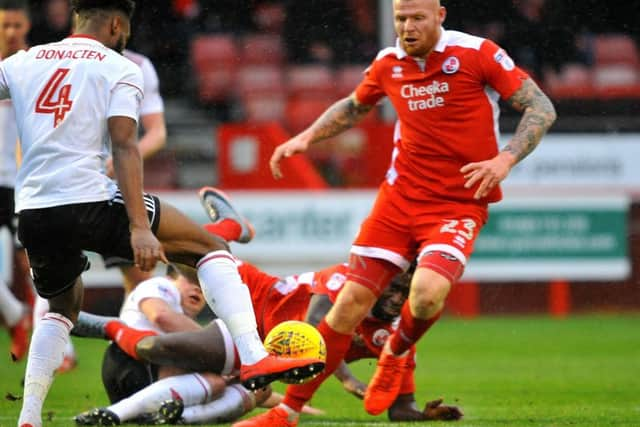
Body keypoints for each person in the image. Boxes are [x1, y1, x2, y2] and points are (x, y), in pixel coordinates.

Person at [0, 2, 321, 426]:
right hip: (90, 199)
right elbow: (125, 145)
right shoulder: (120, 67)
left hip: (36, 211)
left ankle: (28, 418)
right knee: (210, 248)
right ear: (116, 23)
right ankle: (254, 358)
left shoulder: (22, 62)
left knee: (62, 305)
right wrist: (138, 227)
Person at [244, 0, 557, 425]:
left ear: (440, 16)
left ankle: (395, 353)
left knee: (427, 294)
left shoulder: (476, 53)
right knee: (348, 304)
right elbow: (355, 105)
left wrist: (505, 159)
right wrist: (306, 138)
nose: (407, 28)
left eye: (417, 19)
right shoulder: (388, 61)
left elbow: (541, 108)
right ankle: (286, 411)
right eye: (400, 19)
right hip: (399, 200)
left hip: (457, 202)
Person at [71, 187, 462, 425]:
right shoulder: (350, 280)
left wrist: (422, 415)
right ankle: (106, 326)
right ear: (379, 279)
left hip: (270, 352)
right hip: (259, 302)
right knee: (180, 271)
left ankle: (166, 416)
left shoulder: (394, 337)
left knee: (235, 395)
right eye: (391, 288)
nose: (395, 300)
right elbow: (315, 333)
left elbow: (399, 407)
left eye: (404, 293)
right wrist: (346, 379)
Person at [0, 0, 34, 362]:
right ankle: (14, 315)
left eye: (16, 25)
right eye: (4, 25)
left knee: (33, 264)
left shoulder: (30, 70)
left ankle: (62, 344)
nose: (10, 32)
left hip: (15, 183)